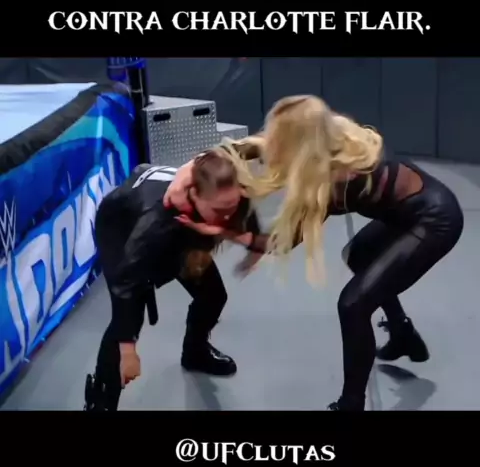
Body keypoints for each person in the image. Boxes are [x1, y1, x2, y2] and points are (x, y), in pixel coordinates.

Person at [165, 95, 464, 411]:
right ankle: (402, 332)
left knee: (353, 305)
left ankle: (351, 405)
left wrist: (222, 231)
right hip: (407, 212)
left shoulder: (335, 181)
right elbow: (263, 144)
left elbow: (280, 244)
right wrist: (201, 163)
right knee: (360, 255)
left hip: (435, 221)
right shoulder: (329, 134)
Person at [84, 150, 263, 412]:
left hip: (184, 225)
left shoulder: (228, 196)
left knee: (213, 294)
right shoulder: (156, 225)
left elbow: (242, 213)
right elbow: (125, 284)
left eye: (231, 207)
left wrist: (254, 248)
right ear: (195, 195)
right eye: (219, 211)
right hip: (120, 228)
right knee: (129, 318)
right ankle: (100, 401)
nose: (227, 217)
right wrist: (128, 351)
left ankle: (195, 352)